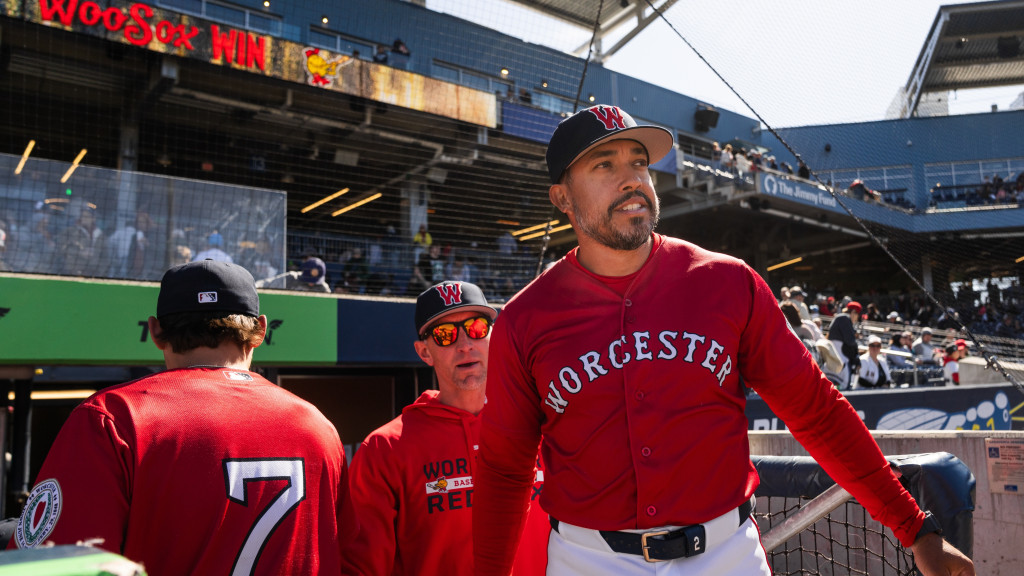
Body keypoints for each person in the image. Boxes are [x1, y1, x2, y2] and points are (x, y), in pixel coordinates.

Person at [471, 105, 973, 576]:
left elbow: (817, 412)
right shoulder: (523, 319)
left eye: (639, 162)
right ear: (562, 197)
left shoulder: (728, 282)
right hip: (589, 558)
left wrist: (915, 528)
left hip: (724, 553)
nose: (632, 180)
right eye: (604, 165)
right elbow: (504, 471)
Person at [8, 260, 359, 573]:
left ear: (155, 331)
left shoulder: (113, 417)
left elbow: (55, 565)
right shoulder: (318, 426)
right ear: (260, 331)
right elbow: (350, 558)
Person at [344, 281, 547, 575]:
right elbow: (362, 567)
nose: (465, 344)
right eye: (444, 334)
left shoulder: (544, 426)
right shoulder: (385, 448)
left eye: (477, 328)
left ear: (495, 336)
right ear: (424, 352)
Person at [827, 301, 862, 389]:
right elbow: (850, 342)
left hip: (835, 362)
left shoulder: (841, 319)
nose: (857, 319)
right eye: (858, 315)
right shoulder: (844, 318)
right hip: (840, 363)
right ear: (853, 312)